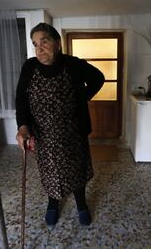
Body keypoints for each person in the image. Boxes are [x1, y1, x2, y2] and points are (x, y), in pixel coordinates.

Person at [15, 23, 104, 226]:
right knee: (50, 171)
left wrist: (81, 98)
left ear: (57, 43)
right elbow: (21, 99)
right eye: (35, 44)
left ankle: (81, 204)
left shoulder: (73, 64)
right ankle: (52, 204)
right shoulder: (29, 67)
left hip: (73, 133)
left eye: (44, 41)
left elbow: (98, 78)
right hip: (43, 135)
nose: (39, 48)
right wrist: (23, 127)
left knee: (76, 171)